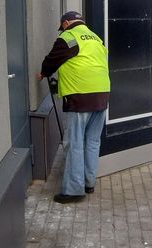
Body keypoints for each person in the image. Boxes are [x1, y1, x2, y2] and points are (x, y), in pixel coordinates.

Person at [36, 11, 110, 204]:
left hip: (80, 96)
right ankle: (88, 182)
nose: (62, 30)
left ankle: (73, 191)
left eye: (62, 27)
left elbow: (53, 59)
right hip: (102, 95)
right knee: (92, 141)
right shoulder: (96, 38)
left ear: (66, 23)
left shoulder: (69, 37)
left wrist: (44, 72)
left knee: (74, 143)